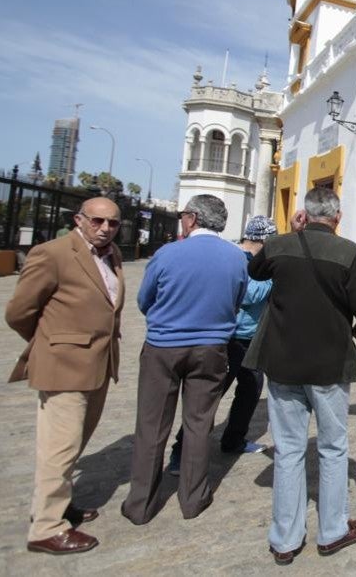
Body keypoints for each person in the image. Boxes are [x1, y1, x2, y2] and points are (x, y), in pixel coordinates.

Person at [247, 187, 356, 564]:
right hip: (328, 363)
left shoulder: (281, 246)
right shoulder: (348, 252)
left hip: (283, 361)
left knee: (288, 449)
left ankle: (285, 539)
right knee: (333, 446)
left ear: (305, 213)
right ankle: (332, 530)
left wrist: (287, 231)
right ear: (337, 217)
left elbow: (253, 268)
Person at [5, 197, 125, 555]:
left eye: (113, 223)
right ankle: (46, 528)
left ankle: (56, 505)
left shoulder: (112, 254)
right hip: (64, 365)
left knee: (75, 442)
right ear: (79, 219)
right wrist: (53, 342)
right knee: (59, 447)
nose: (105, 228)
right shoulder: (53, 253)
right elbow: (19, 311)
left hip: (99, 363)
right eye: (97, 221)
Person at [120, 195, 247, 525]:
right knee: (199, 423)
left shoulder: (168, 253)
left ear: (192, 219)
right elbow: (238, 299)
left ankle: (141, 503)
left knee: (152, 425)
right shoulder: (237, 258)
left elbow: (145, 300)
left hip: (164, 346)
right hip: (213, 347)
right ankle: (193, 497)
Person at [164, 215, 275, 476]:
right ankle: (181, 453)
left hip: (253, 339)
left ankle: (234, 439)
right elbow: (251, 295)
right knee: (209, 399)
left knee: (250, 391)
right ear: (264, 238)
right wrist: (276, 277)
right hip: (230, 338)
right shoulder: (237, 259)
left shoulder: (261, 262)